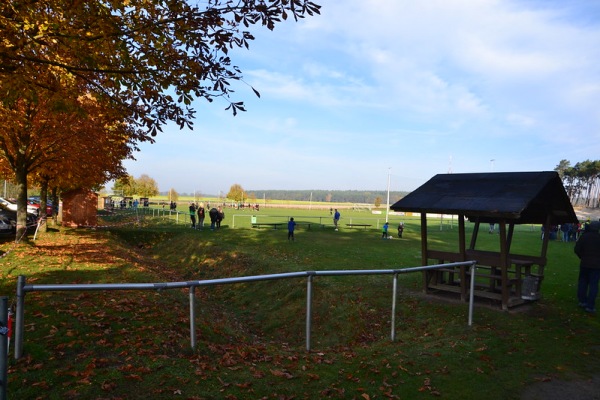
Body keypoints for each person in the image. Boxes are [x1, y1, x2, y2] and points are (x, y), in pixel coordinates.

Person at [574, 220, 600, 313]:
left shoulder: (584, 237)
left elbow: (577, 249)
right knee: (593, 285)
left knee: (583, 282)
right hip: (596, 265)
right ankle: (590, 305)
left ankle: (582, 301)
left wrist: (582, 257)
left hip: (585, 263)